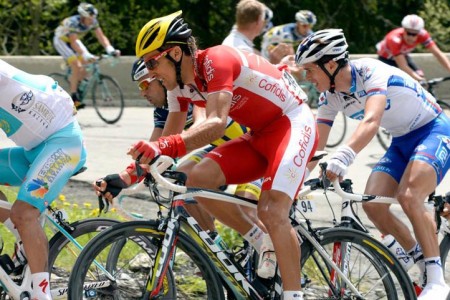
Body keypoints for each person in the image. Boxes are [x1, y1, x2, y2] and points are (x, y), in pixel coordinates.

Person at [127, 11, 315, 299]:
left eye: (153, 62)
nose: (150, 72)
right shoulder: (177, 85)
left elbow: (215, 124)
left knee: (271, 210)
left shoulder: (216, 59)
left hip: (292, 123)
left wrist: (162, 148)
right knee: (197, 178)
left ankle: (294, 294)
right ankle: (259, 241)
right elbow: (169, 137)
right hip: (259, 134)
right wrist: (127, 175)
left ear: (176, 53)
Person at [295, 28, 450, 299]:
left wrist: (344, 155)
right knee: (373, 205)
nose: (307, 77)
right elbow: (316, 147)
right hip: (402, 140)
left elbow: (371, 120)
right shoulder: (329, 97)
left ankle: (437, 280)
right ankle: (420, 260)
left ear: (330, 64)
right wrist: (294, 181)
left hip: (434, 130)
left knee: (410, 196)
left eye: (310, 70)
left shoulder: (369, 72)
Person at [0, 59, 87, 299]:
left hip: (63, 145)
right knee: (22, 220)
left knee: (24, 212)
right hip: (34, 150)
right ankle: (23, 237)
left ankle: (41, 295)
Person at [53, 2, 120, 109]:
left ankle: (77, 82)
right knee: (77, 65)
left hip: (73, 40)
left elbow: (101, 37)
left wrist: (110, 49)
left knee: (88, 64)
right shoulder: (73, 23)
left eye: (93, 18)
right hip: (61, 41)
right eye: (89, 18)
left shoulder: (93, 21)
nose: (91, 21)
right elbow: (73, 42)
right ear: (82, 17)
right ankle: (74, 97)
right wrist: (84, 54)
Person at [376, 14, 450, 82]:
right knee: (398, 82)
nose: (410, 37)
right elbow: (403, 65)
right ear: (403, 30)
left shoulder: (423, 35)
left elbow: (438, 54)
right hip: (386, 59)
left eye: (414, 34)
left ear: (419, 33)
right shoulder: (394, 39)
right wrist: (419, 80)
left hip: (404, 56)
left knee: (420, 75)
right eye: (408, 33)